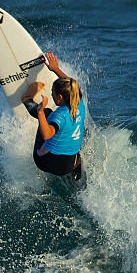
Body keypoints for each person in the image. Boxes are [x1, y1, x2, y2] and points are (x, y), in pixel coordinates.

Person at [20, 52, 84, 180]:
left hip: (46, 163)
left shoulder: (59, 115)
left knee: (47, 112)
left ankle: (26, 99)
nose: (51, 94)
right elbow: (73, 87)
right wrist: (55, 69)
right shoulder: (79, 103)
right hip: (68, 166)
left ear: (59, 97)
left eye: (52, 93)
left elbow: (47, 134)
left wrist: (40, 111)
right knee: (75, 138)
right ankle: (76, 175)